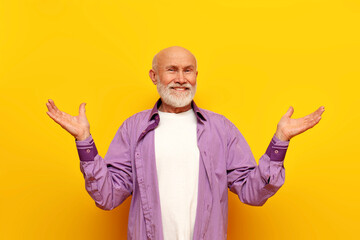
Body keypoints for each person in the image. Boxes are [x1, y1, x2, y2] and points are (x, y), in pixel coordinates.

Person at [46, 46, 325, 240]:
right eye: (171, 70)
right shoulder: (134, 129)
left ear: (196, 76)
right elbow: (107, 196)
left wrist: (280, 143)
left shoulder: (221, 129)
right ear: (154, 76)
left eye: (188, 70)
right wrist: (84, 141)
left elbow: (253, 193)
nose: (181, 79)